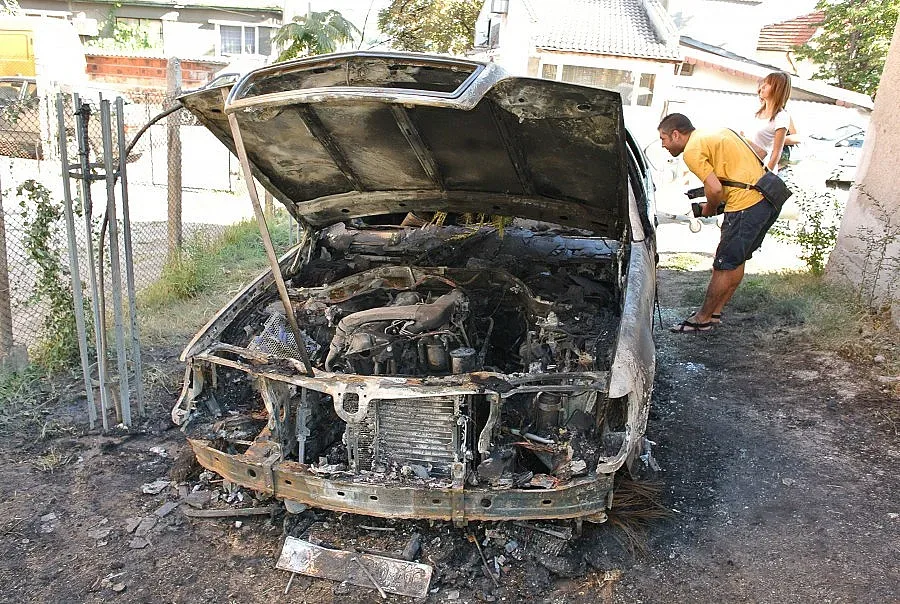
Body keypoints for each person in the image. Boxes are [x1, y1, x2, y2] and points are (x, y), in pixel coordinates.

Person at [658, 113, 780, 333]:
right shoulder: (716, 132)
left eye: (663, 139)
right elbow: (755, 156)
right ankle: (715, 314)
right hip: (767, 198)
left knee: (722, 265)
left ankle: (701, 319)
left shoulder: (692, 150)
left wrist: (710, 208)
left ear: (676, 134)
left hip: (745, 205)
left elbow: (714, 189)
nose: (663, 145)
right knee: (737, 260)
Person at [745, 71, 793, 172]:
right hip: (747, 165)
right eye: (764, 83)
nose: (762, 86)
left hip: (762, 169)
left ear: (777, 89)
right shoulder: (756, 111)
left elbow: (776, 152)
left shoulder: (781, 116)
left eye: (768, 84)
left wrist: (766, 174)